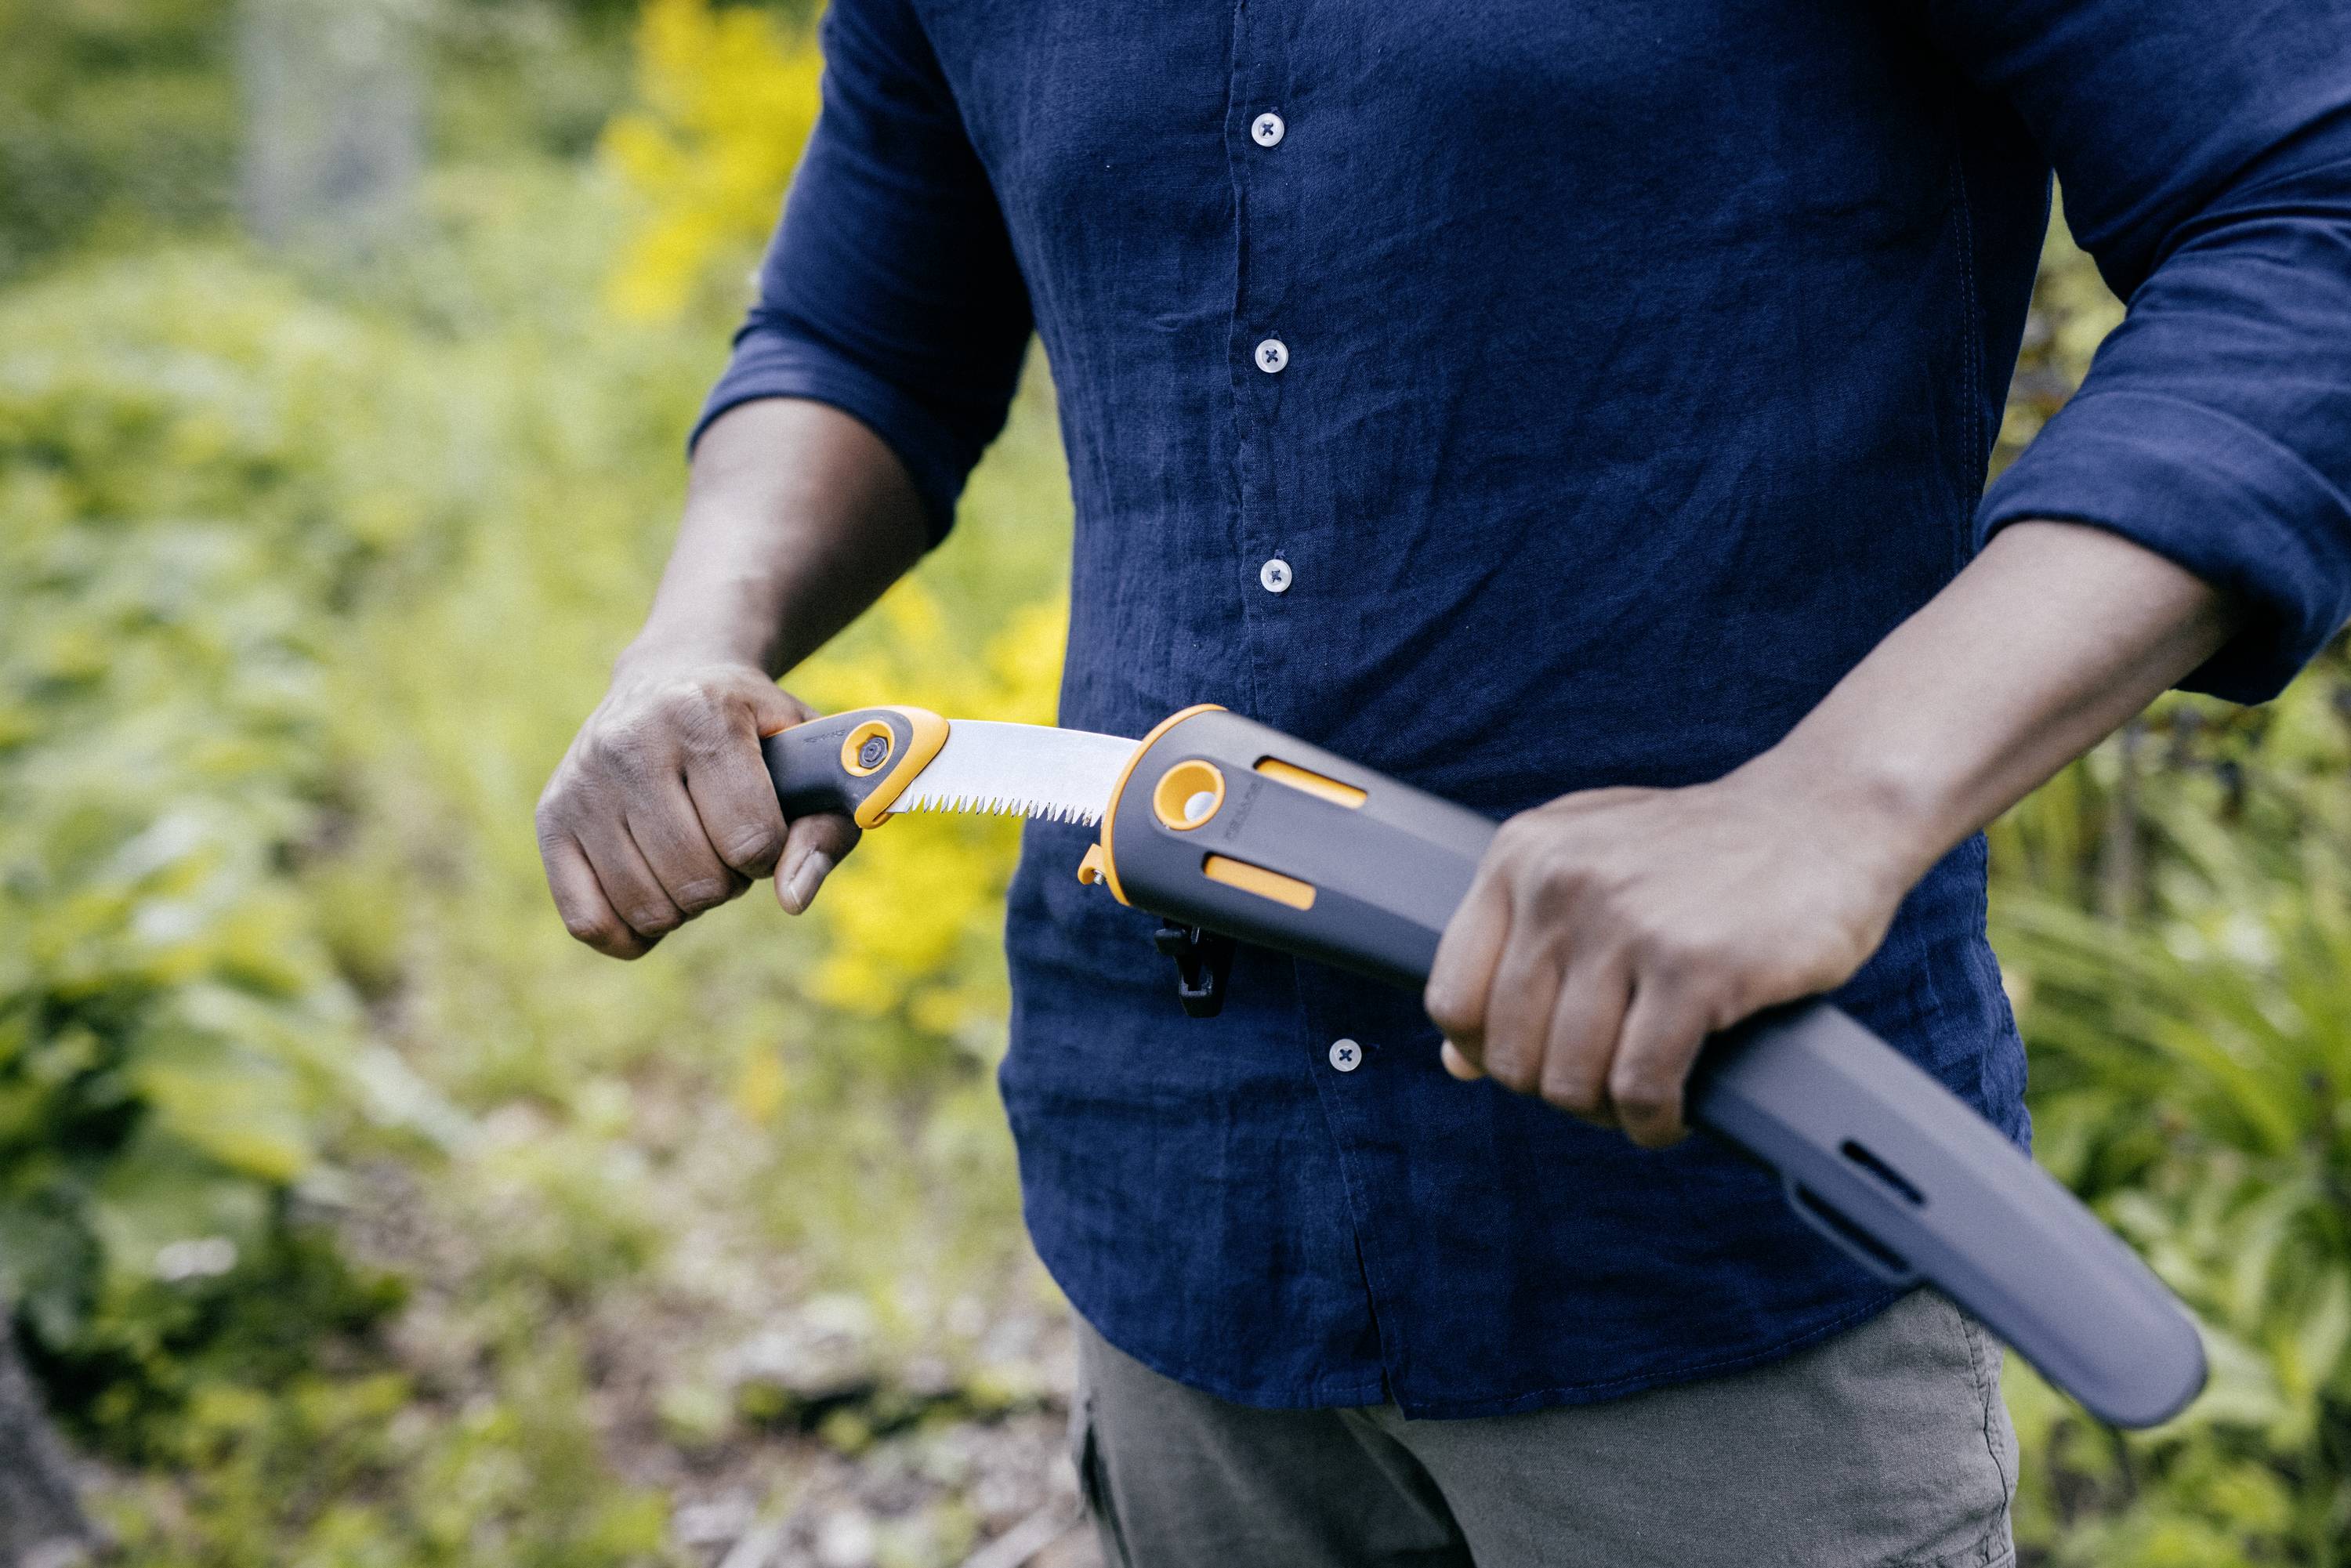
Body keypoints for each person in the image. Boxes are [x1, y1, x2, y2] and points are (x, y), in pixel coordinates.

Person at [535, 4, 2351, 1563]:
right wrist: (691, 641)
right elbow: (866, 336)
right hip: (1179, 1220)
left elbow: (2308, 206)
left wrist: (1838, 802)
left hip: (1711, 1231)